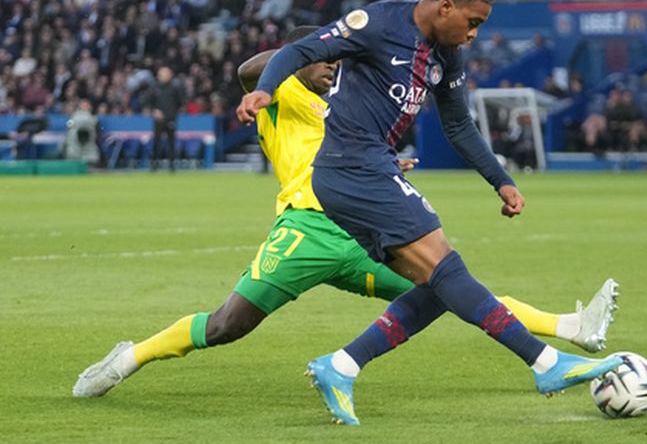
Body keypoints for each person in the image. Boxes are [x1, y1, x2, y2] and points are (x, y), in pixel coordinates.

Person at [73, 26, 619, 399]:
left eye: (336, 64)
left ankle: (571, 328)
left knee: (450, 287)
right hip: (304, 230)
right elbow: (247, 71)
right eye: (325, 63)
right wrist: (306, 51)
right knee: (226, 325)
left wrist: (385, 167)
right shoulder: (282, 94)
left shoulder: (343, 105)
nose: (332, 70)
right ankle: (130, 358)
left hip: (359, 229)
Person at [238, 0, 623, 426]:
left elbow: (458, 124)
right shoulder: (378, 23)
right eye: (472, 22)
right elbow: (301, 48)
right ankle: (546, 363)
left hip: (367, 168)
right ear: (445, 6)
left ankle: (340, 366)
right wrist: (263, 91)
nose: (474, 34)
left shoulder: (447, 55)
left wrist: (500, 179)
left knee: (437, 289)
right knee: (448, 268)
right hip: (350, 166)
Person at [148, 66, 182, 172]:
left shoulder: (174, 88)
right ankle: (154, 165)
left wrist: (173, 113)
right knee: (156, 142)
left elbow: (179, 103)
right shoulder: (154, 88)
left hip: (171, 118)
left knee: (171, 142)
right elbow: (148, 102)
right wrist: (154, 111)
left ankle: (172, 166)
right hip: (158, 120)